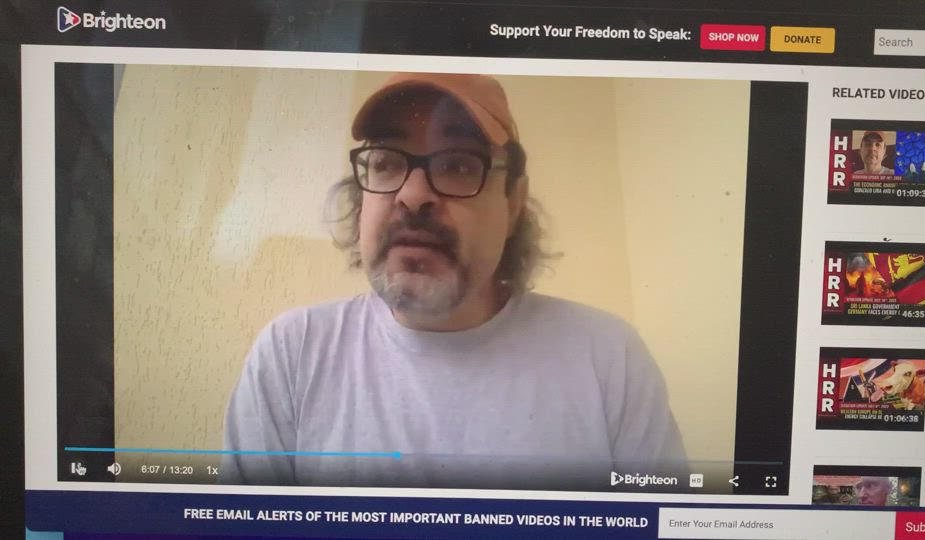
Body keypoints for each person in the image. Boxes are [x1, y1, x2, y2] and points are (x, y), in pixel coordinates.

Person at [220, 72, 686, 489]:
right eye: (385, 162)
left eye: (459, 164)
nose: (412, 195)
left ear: (513, 204)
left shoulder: (608, 358)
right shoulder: (293, 352)